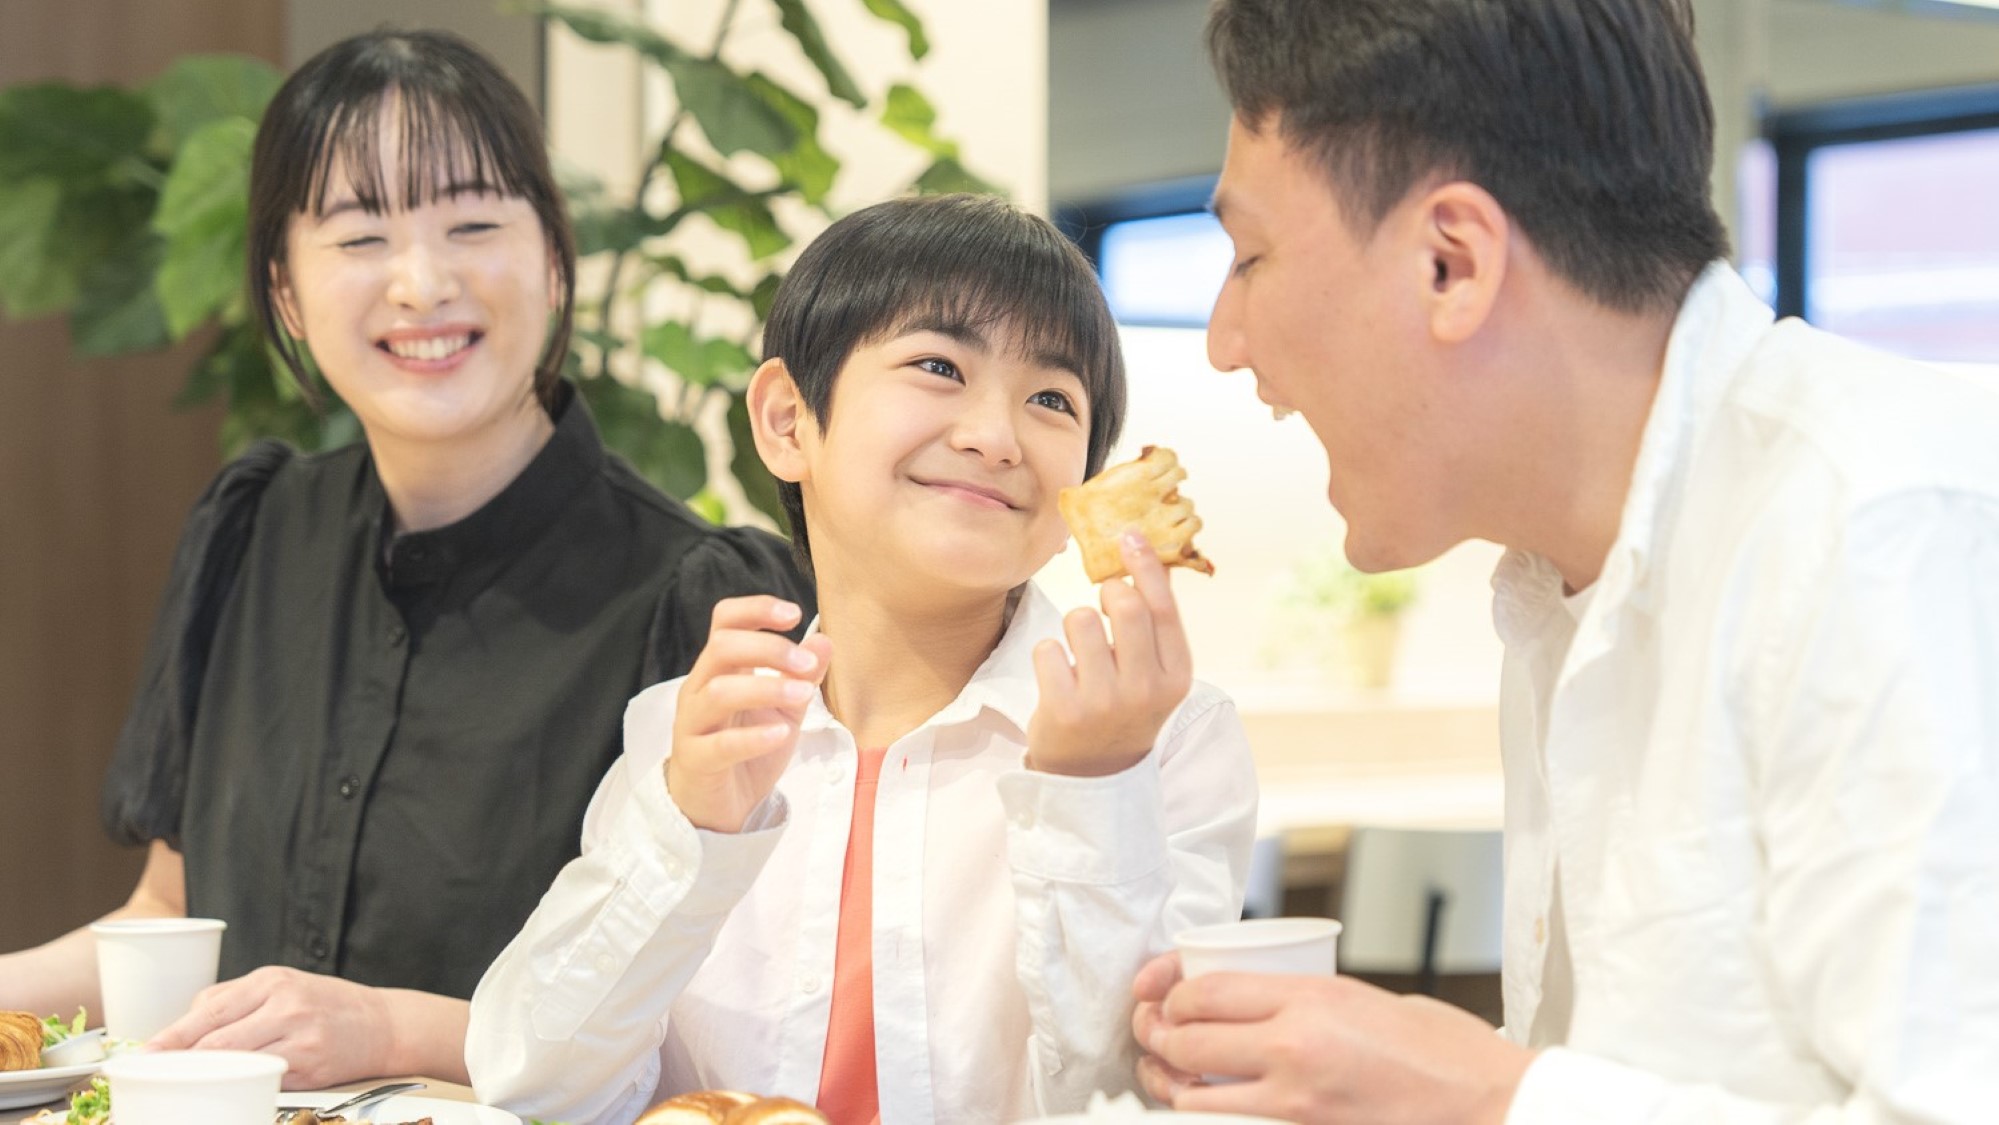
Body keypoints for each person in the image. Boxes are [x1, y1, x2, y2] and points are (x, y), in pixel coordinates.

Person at [1131, 0, 1999, 1121]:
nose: (1222, 339)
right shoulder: (1558, 587)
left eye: (1249, 256)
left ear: (1453, 262)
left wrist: (1479, 1094)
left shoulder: (1882, 524)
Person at [0, 29, 810, 1089]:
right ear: (285, 292)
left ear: (555, 259)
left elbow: (716, 1048)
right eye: (358, 237)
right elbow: (168, 913)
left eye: (472, 223)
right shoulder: (250, 533)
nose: (422, 284)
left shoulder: (704, 605)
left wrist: (394, 1032)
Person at [464, 194, 1260, 1125]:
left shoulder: (1167, 743)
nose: (995, 436)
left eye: (1051, 398)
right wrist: (691, 825)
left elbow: (1143, 1107)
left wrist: (1092, 790)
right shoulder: (691, 733)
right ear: (788, 421)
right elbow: (531, 1082)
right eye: (937, 365)